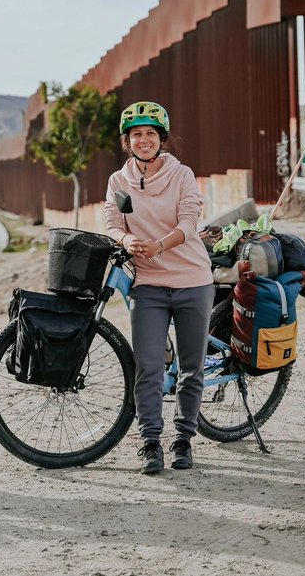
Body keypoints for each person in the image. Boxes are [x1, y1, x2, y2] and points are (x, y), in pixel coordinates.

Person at [103, 101, 214, 475]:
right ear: (127, 142)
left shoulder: (182, 175)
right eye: (137, 134)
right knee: (148, 367)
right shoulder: (119, 181)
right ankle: (151, 443)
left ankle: (183, 439)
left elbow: (189, 221)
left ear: (161, 139)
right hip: (147, 284)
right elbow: (111, 221)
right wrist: (125, 241)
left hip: (191, 281)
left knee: (191, 368)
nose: (144, 139)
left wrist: (159, 245)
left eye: (151, 133)